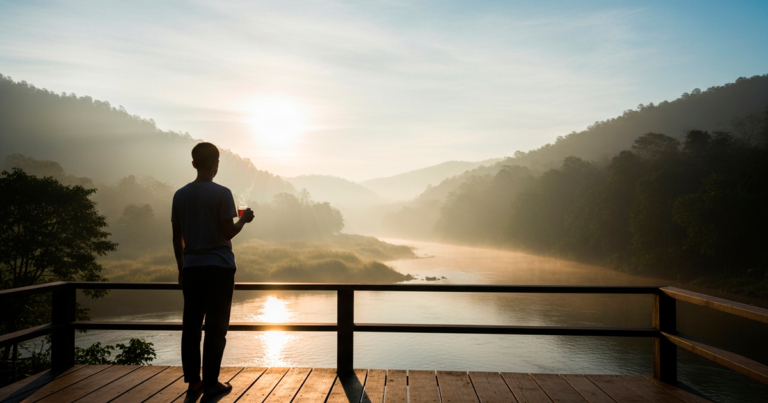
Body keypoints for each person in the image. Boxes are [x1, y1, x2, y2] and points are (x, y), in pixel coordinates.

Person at [172, 142, 254, 401]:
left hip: (193, 268)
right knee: (216, 329)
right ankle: (211, 382)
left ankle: (194, 382)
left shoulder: (180, 195)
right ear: (217, 164)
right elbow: (227, 232)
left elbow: (177, 237)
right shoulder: (222, 193)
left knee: (191, 327)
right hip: (219, 268)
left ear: (194, 164)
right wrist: (244, 219)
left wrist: (181, 268)